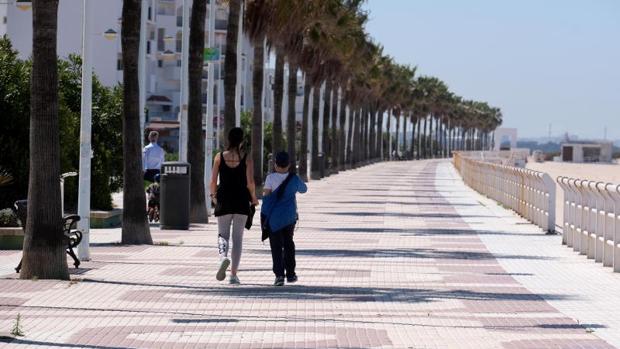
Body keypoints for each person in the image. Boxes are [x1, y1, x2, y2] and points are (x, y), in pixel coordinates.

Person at [210, 127, 259, 285]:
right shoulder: (246, 157)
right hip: (241, 200)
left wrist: (213, 197)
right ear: (242, 140)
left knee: (222, 235)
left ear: (229, 139)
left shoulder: (219, 157)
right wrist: (253, 199)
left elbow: (213, 181)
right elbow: (250, 183)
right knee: (237, 239)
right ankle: (233, 275)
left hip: (224, 198)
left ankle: (223, 258)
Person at [262, 151, 307, 286]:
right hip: (289, 218)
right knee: (288, 244)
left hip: (274, 219)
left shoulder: (270, 178)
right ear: (289, 165)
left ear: (275, 165)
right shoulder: (293, 178)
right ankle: (291, 274)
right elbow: (304, 189)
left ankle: (279, 276)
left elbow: (267, 198)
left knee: (276, 247)